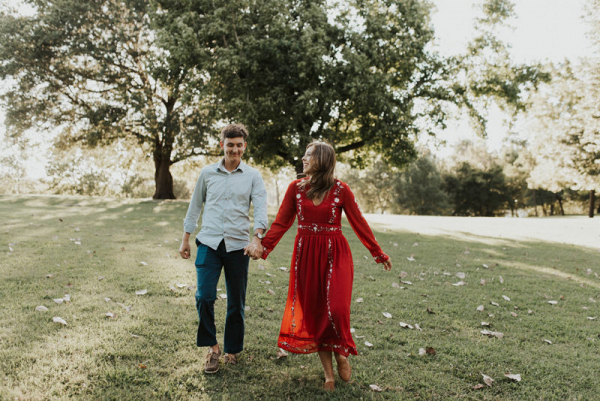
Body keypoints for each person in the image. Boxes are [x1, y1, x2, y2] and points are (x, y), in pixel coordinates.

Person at [247, 141, 392, 391]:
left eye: (308, 155)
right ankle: (328, 375)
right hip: (305, 255)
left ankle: (341, 354)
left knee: (335, 309)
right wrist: (264, 248)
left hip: (335, 254)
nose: (303, 159)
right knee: (315, 313)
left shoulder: (341, 190)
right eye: (304, 154)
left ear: (322, 160)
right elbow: (282, 223)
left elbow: (359, 223)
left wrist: (377, 253)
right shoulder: (295, 189)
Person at [179, 123, 268, 374]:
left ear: (244, 147)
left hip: (239, 247)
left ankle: (231, 350)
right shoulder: (207, 173)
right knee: (204, 296)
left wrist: (257, 237)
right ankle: (213, 348)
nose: (234, 149)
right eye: (230, 145)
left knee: (236, 302)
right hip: (209, 242)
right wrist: (186, 238)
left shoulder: (253, 176)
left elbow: (261, 210)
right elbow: (195, 206)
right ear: (222, 145)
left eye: (239, 145)